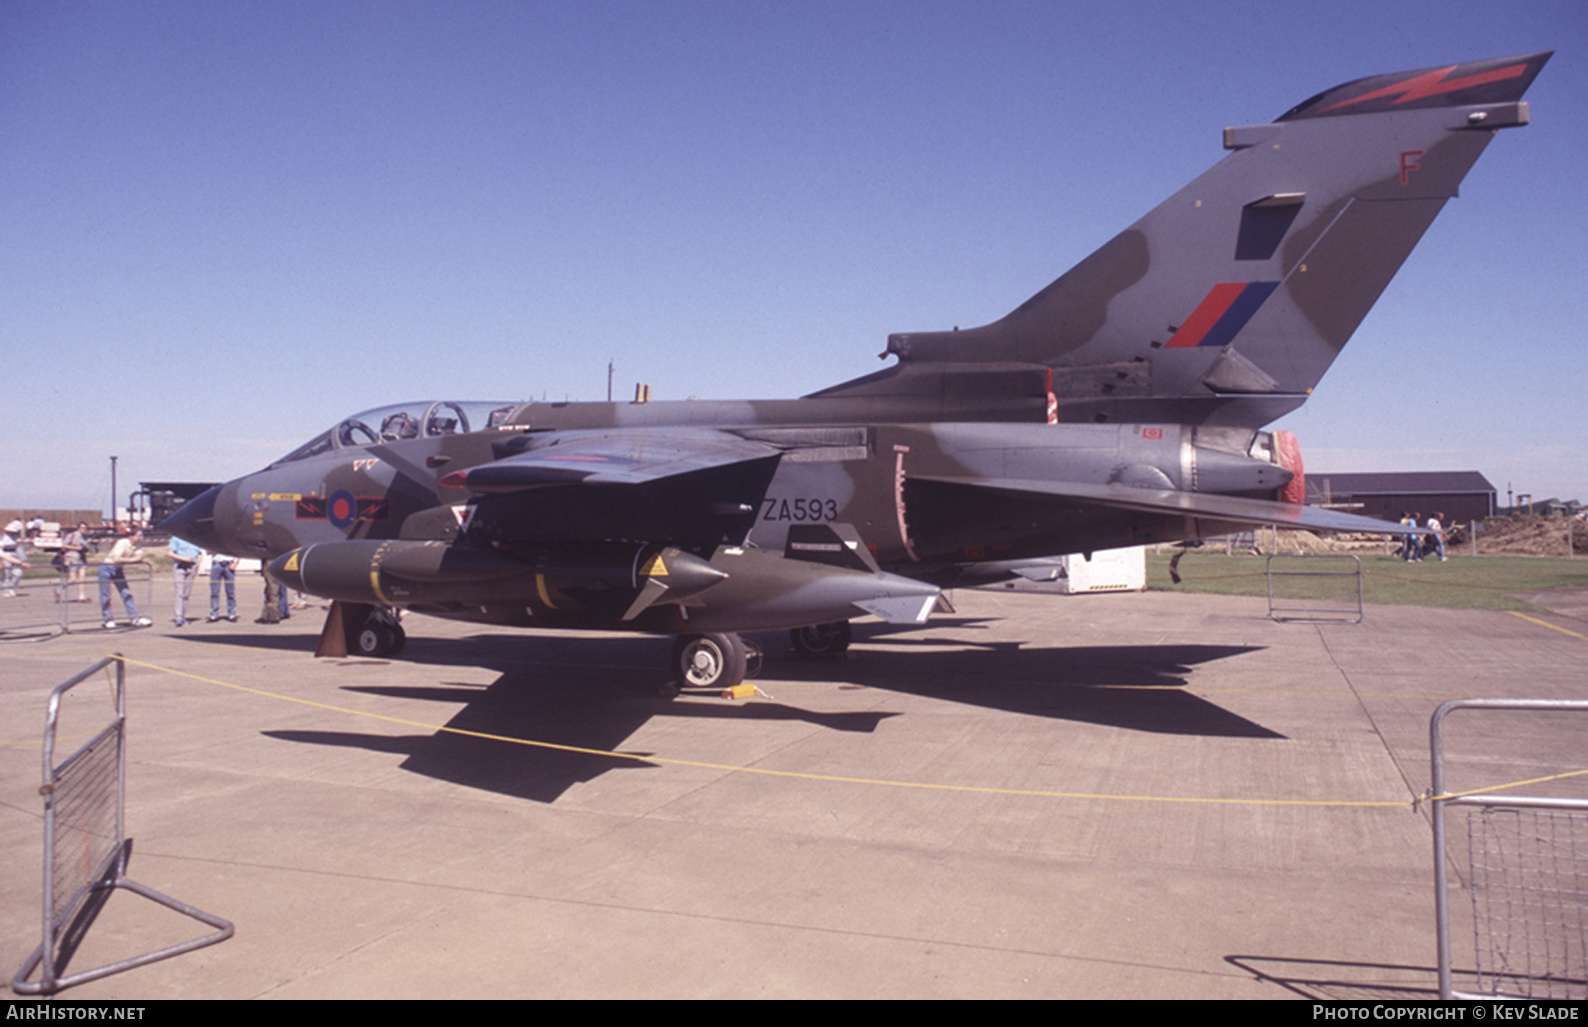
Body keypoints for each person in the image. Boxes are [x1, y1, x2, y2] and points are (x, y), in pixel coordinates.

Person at [99, 528, 152, 627]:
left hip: (118, 569)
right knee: (106, 595)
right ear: (130, 536)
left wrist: (136, 559)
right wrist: (134, 559)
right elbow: (117, 558)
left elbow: (139, 556)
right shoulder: (122, 543)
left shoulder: (136, 545)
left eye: (141, 535)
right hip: (107, 567)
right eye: (138, 535)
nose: (141, 538)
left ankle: (134, 618)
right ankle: (108, 619)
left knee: (126, 593)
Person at [168, 535, 203, 626]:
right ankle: (178, 617)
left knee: (186, 593)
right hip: (180, 566)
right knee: (179, 592)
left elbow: (200, 553)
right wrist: (183, 559)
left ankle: (183, 616)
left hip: (191, 567)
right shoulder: (176, 538)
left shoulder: (195, 539)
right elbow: (169, 553)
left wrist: (197, 564)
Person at [60, 523, 91, 602]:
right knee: (72, 580)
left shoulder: (85, 537)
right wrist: (76, 548)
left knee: (82, 576)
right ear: (78, 528)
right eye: (82, 528)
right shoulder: (72, 535)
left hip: (82, 558)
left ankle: (81, 596)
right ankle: (59, 590)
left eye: (85, 528)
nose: (84, 530)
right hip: (72, 557)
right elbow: (63, 545)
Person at [208, 550, 238, 622]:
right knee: (214, 591)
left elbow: (238, 549)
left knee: (230, 591)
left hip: (229, 563)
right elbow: (208, 552)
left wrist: (236, 562)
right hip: (217, 563)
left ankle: (231, 613)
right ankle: (214, 614)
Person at [1, 521, 28, 598]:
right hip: (6, 557)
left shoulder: (14, 538)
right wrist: (2, 560)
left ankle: (11, 587)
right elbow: (1, 550)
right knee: (6, 575)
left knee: (18, 573)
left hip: (15, 558)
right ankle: (5, 591)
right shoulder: (2, 538)